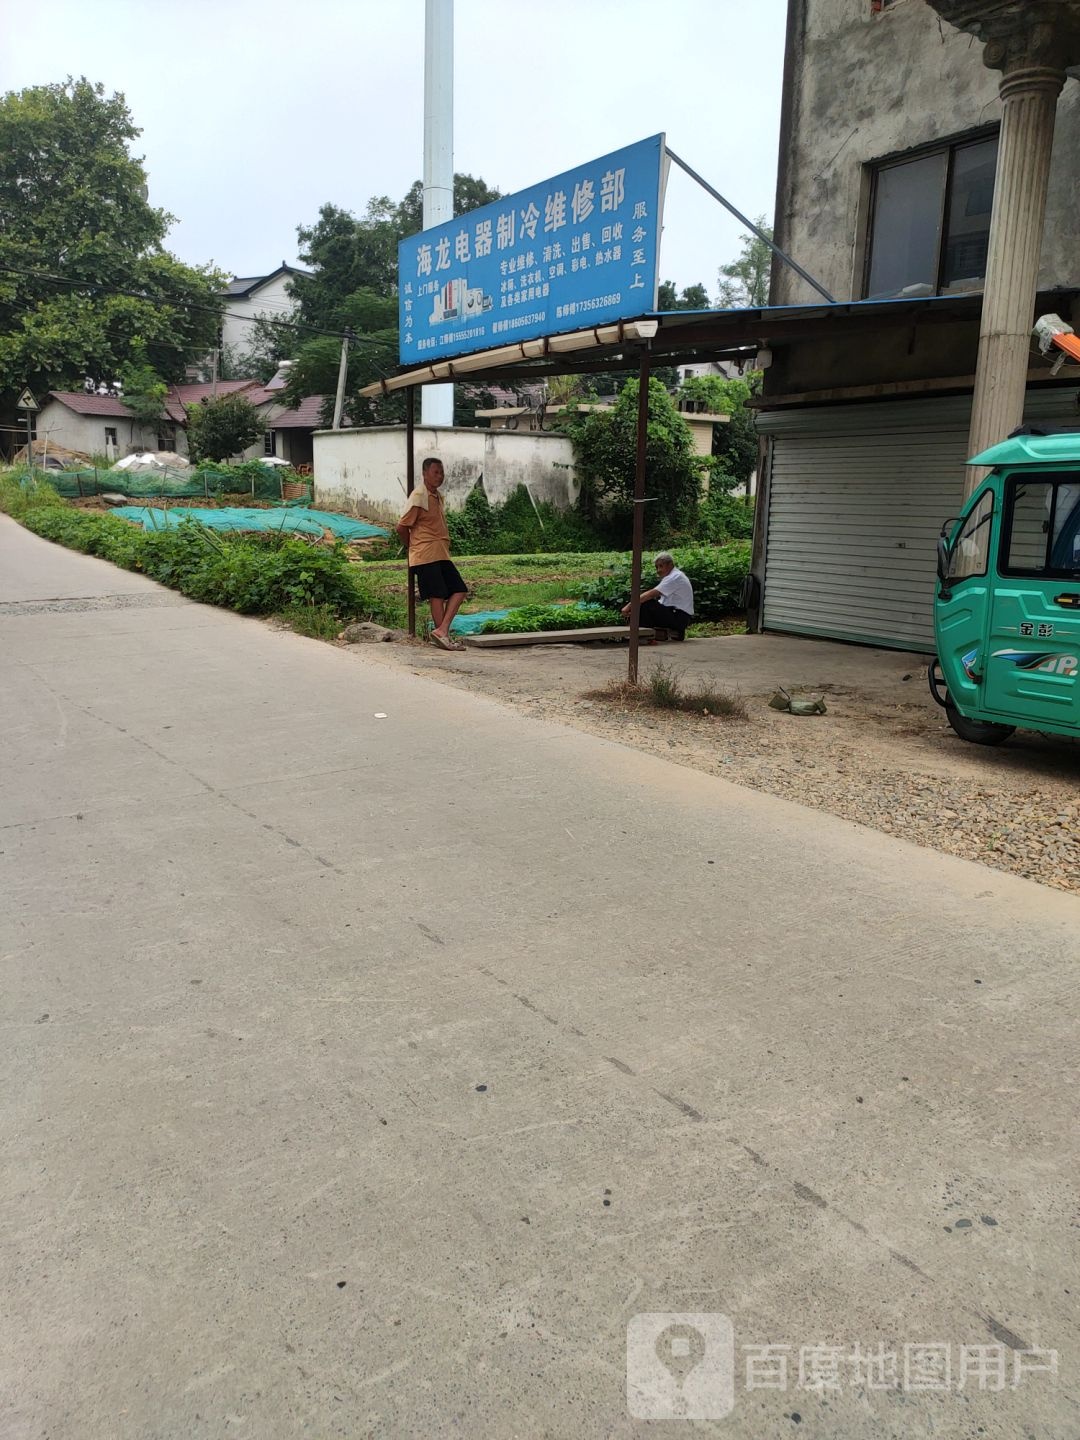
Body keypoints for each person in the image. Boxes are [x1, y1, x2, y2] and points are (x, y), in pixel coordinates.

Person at [396, 457, 468, 651]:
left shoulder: (436, 496)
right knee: (437, 594)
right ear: (425, 474)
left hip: (440, 553)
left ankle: (442, 631)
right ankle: (442, 634)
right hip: (425, 554)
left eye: (442, 472)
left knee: (459, 589)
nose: (440, 476)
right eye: (435, 472)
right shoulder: (419, 495)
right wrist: (413, 547)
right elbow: (402, 527)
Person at [621, 552, 695, 641]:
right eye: (657, 567)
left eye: (661, 566)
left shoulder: (675, 577)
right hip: (676, 615)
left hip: (678, 617)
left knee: (647, 603)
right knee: (644, 603)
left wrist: (629, 606)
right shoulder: (673, 576)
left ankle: (642, 635)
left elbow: (650, 594)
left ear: (670, 565)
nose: (658, 570)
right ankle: (644, 633)